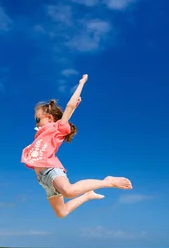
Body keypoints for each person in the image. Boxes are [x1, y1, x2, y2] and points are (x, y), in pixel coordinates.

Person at [21, 74, 132, 218]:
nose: (35, 122)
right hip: (43, 180)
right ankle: (88, 195)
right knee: (62, 212)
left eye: (37, 119)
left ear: (49, 118)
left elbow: (69, 107)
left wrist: (81, 84)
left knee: (69, 191)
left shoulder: (55, 128)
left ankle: (108, 181)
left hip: (51, 171)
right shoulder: (42, 133)